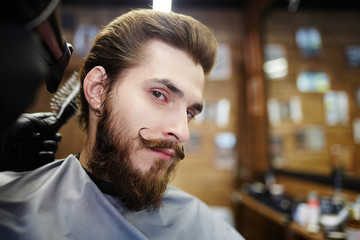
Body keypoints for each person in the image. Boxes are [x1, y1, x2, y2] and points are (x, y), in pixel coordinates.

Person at [0, 9, 245, 239]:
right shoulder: (10, 207)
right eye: (159, 95)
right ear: (98, 89)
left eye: (190, 112)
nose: (182, 132)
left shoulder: (200, 225)